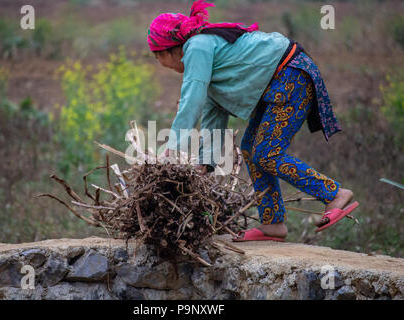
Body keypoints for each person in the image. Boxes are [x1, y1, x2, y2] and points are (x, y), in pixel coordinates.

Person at [147, 0, 359, 241]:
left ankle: (334, 194)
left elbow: (190, 102)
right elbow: (212, 117)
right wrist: (203, 165)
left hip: (290, 75)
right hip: (277, 84)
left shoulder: (196, 47)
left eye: (158, 59)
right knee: (250, 149)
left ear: (165, 51)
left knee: (267, 154)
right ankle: (272, 224)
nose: (164, 66)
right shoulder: (206, 61)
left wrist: (172, 148)